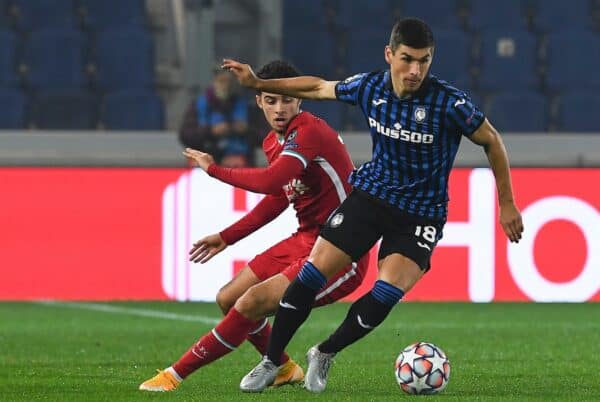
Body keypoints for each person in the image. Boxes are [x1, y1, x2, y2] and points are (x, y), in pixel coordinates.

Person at [223, 17, 524, 393]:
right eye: (407, 59)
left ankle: (326, 352)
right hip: (372, 197)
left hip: (420, 213)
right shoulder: (369, 87)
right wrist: (258, 83)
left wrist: (506, 204)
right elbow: (317, 86)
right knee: (312, 273)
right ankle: (272, 361)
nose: (415, 70)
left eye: (424, 61)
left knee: (387, 291)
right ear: (389, 55)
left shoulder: (449, 103)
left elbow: (492, 140)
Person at [139, 60, 370, 392]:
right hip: (307, 239)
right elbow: (278, 197)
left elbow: (271, 180)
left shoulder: (309, 132)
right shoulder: (272, 142)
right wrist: (227, 237)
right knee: (228, 298)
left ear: (299, 99)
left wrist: (213, 169)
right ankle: (286, 368)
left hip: (342, 249)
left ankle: (174, 375)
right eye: (270, 99)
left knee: (250, 302)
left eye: (286, 99)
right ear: (258, 101)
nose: (279, 108)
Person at [178, 67, 252, 167]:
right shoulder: (198, 105)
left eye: (229, 82)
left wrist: (245, 130)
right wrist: (211, 131)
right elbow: (185, 135)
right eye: (221, 81)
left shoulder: (245, 106)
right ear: (214, 82)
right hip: (204, 155)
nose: (225, 86)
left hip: (234, 160)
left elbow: (262, 135)